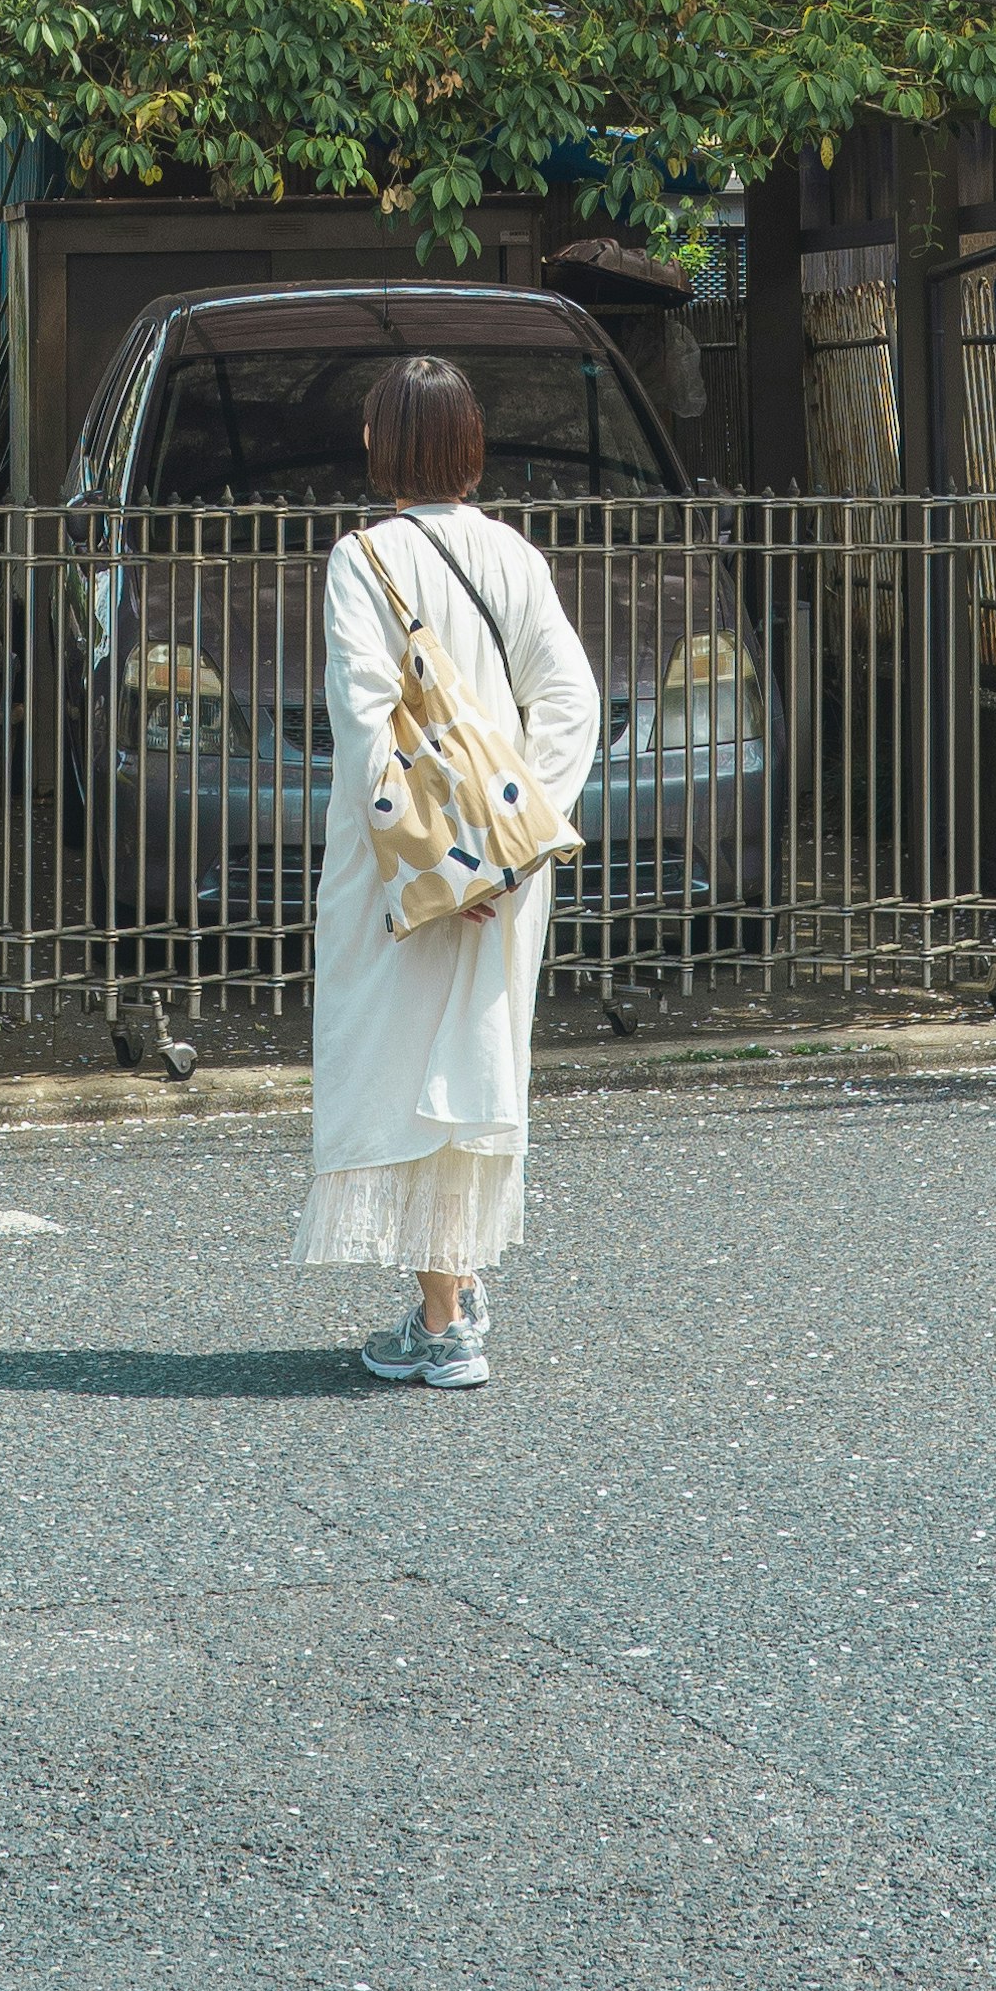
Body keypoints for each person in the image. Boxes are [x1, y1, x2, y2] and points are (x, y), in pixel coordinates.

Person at [304, 352, 600, 1391]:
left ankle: (442, 1325)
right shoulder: (513, 553)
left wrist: (433, 865)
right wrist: (511, 852)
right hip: (504, 864)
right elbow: (572, 701)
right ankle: (456, 1283)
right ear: (471, 444)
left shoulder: (362, 557)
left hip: (406, 865)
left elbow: (364, 714)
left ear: (387, 443)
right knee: (474, 1064)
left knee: (398, 1065)